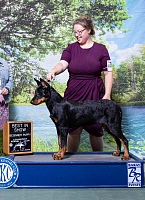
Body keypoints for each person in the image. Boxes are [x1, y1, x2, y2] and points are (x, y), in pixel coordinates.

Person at [46, 15, 113, 152]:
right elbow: (63, 64)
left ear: (88, 30)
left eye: (80, 31)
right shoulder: (71, 48)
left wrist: (107, 95)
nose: (77, 35)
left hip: (94, 93)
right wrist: (54, 71)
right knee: (73, 131)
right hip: (74, 94)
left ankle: (99, 162)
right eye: (74, 32)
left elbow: (108, 73)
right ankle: (70, 163)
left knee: (96, 130)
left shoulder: (101, 49)